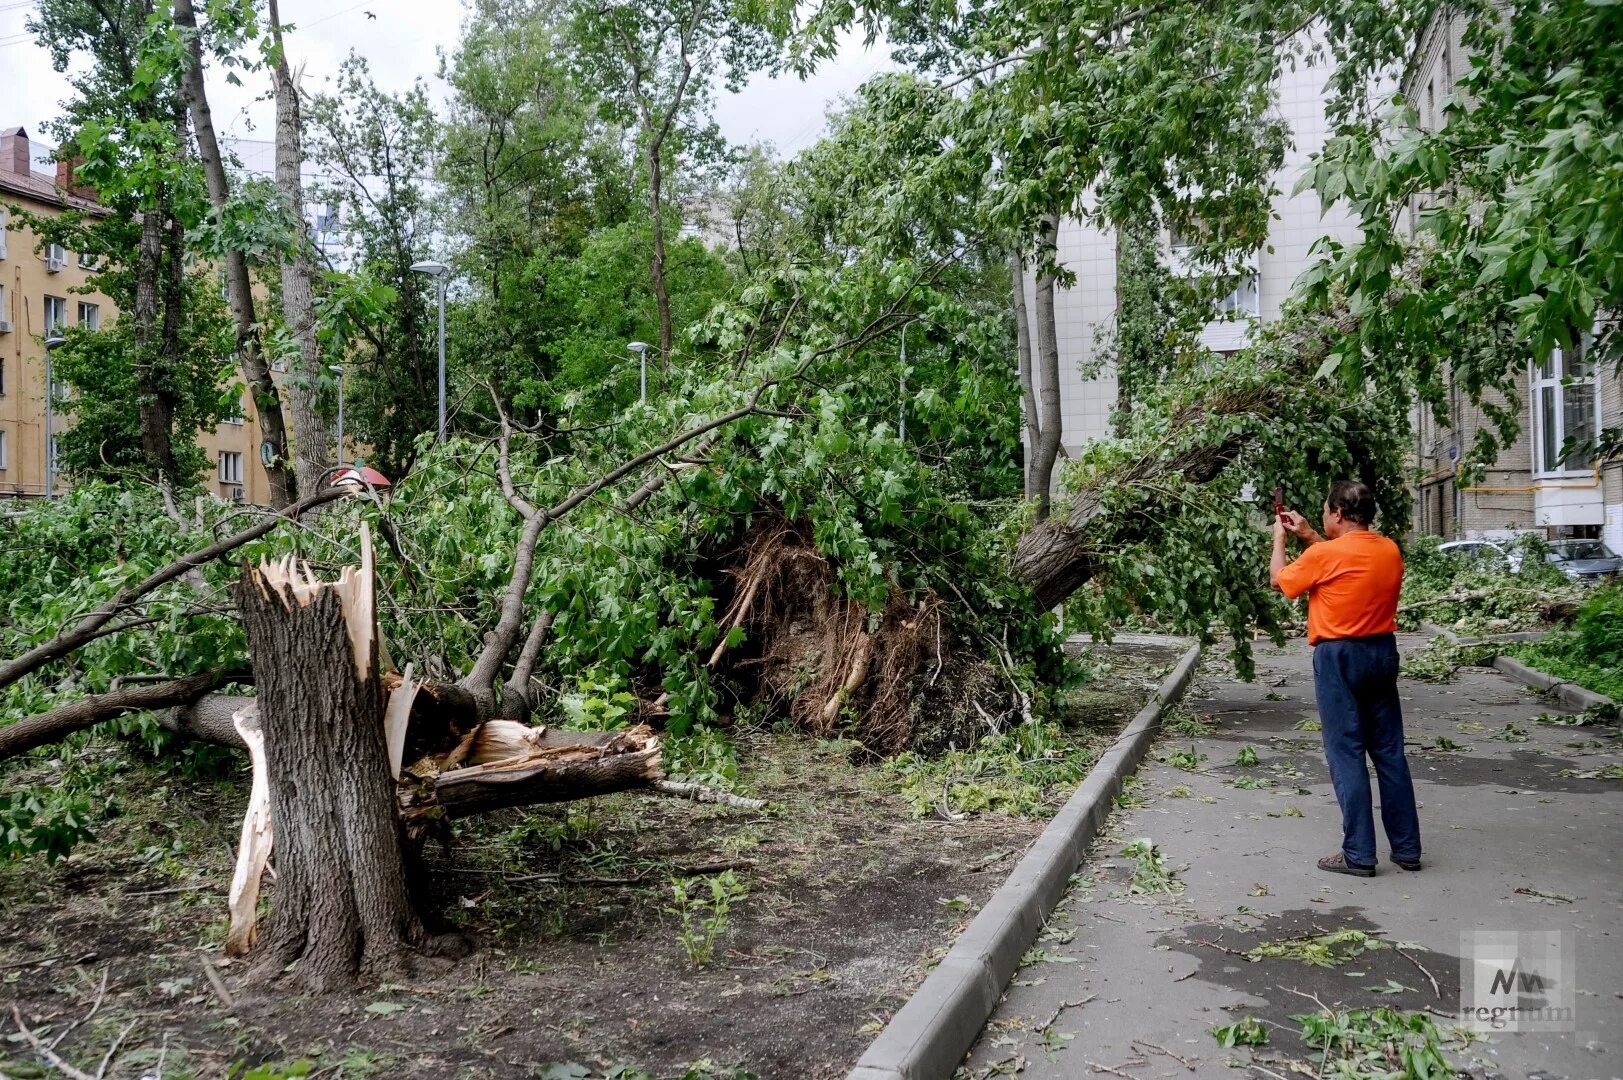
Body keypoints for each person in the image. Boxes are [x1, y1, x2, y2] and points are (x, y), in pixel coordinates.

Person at [1270, 480, 1422, 877]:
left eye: (1324, 511)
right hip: (1382, 652)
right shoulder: (1389, 549)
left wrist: (1280, 541)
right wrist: (1309, 535)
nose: (1321, 517)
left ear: (1337, 513)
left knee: (1346, 754)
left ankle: (1359, 854)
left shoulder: (1326, 555)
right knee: (1389, 752)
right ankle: (1407, 850)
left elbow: (1280, 581)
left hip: (1339, 657)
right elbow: (1340, 562)